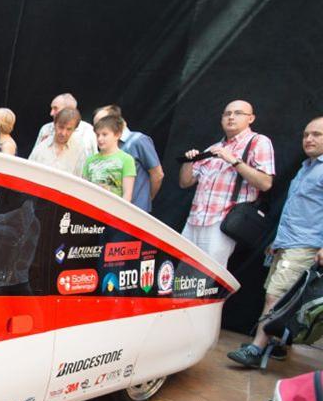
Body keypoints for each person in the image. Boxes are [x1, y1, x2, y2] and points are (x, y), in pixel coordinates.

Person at [227, 117, 323, 368]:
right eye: (306, 134)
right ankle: (277, 345)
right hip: (289, 243)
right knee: (282, 296)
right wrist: (278, 241)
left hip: (306, 244)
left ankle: (256, 349)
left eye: (317, 134)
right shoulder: (306, 167)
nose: (309, 139)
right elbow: (297, 210)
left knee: (275, 296)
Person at [179, 99, 275, 266]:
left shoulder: (258, 142)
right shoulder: (212, 148)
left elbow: (265, 183)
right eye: (227, 114)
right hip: (194, 220)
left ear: (251, 118)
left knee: (208, 275)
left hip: (222, 222)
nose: (231, 117)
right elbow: (185, 183)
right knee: (183, 274)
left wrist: (233, 160)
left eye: (238, 113)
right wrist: (189, 162)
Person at [93, 104, 163, 213]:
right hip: (110, 211)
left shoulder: (138, 141)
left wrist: (146, 199)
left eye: (102, 123)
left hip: (135, 211)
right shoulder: (104, 147)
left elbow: (157, 175)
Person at [82, 114, 136, 201]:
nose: (100, 139)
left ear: (117, 135)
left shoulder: (126, 159)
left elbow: (127, 193)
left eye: (104, 134)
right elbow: (84, 188)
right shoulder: (90, 160)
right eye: (97, 135)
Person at [28, 107, 90, 177]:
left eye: (69, 129)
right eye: (61, 127)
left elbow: (82, 178)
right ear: (54, 125)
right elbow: (28, 173)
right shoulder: (41, 148)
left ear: (75, 129)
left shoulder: (79, 149)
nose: (63, 133)